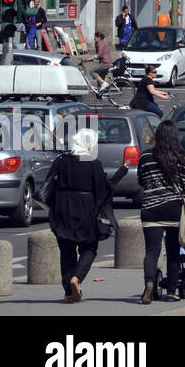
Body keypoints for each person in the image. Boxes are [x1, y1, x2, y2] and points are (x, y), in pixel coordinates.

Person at [47, 129, 116, 304]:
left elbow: (49, 185)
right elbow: (102, 191)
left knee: (66, 250)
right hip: (85, 208)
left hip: (62, 208)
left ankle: (68, 292)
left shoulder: (61, 160)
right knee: (89, 248)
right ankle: (76, 279)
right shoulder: (93, 163)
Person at [137, 120, 185, 304]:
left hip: (150, 208)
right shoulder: (181, 156)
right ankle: (172, 291)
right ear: (175, 136)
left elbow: (141, 181)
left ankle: (149, 282)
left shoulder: (145, 156)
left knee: (152, 251)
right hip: (174, 209)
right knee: (173, 250)